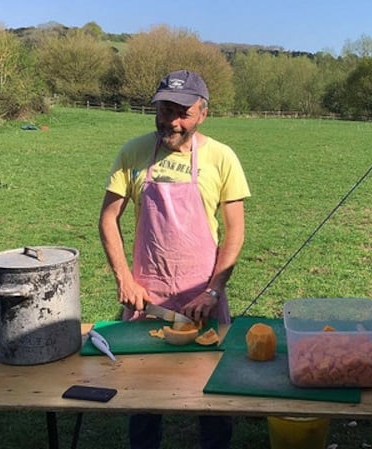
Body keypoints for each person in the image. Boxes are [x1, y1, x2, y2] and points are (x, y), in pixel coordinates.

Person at [98, 69, 250, 449]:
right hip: (147, 297)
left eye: (183, 113)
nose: (173, 122)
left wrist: (213, 291)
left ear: (203, 113)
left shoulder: (221, 157)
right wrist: (124, 279)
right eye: (166, 110)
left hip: (203, 298)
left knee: (213, 394)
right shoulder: (133, 153)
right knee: (142, 394)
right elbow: (107, 219)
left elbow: (235, 231)